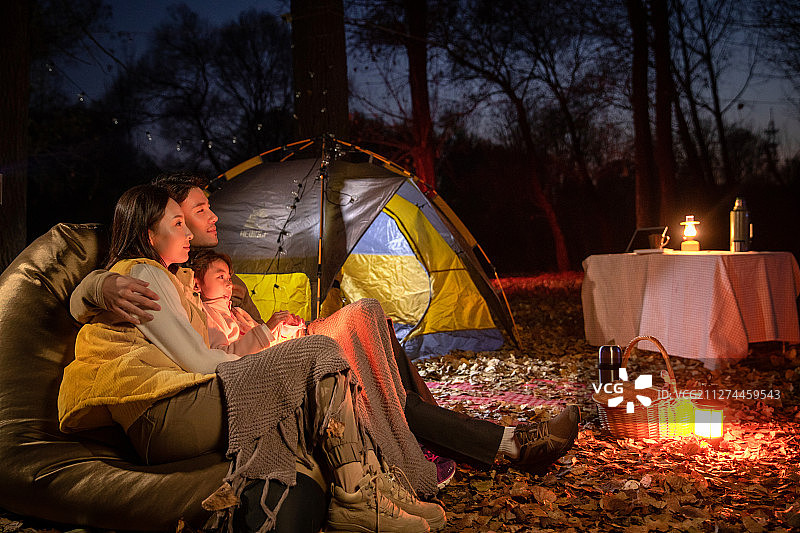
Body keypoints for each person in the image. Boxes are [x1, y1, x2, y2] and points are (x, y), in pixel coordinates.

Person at [70, 172, 580, 480]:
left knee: (367, 319)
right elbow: (107, 284)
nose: (211, 217)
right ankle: (496, 440)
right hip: (232, 376)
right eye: (194, 212)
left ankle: (450, 427)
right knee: (361, 347)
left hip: (258, 355)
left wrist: (271, 325)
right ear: (161, 221)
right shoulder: (162, 277)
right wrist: (92, 289)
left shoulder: (204, 273)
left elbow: (238, 328)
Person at [58, 185, 447, 533]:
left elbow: (208, 352)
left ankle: (367, 487)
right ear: (148, 233)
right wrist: (273, 365)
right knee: (318, 352)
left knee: (321, 350)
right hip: (161, 413)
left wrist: (269, 347)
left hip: (169, 407)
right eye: (179, 222)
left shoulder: (174, 280)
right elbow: (195, 361)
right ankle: (356, 498)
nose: (190, 232)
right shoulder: (143, 273)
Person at [189, 249, 305, 354]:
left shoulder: (238, 313)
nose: (229, 284)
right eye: (221, 277)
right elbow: (222, 356)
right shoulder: (207, 314)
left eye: (229, 278)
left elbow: (262, 339)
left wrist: (285, 329)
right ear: (196, 284)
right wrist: (267, 328)